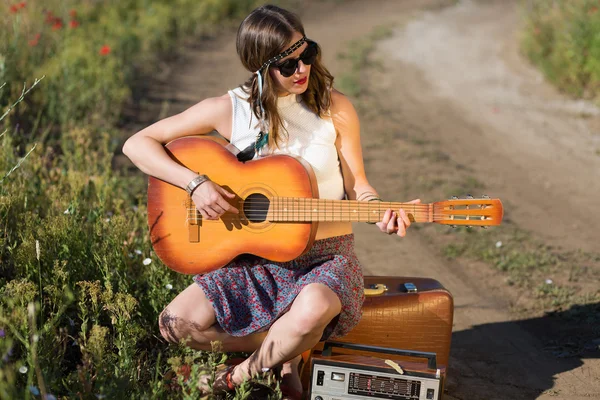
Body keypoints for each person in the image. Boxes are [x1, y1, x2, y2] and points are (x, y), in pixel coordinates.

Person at [122, 4, 419, 398]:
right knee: (173, 324)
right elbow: (135, 144)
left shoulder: (337, 108)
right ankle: (285, 347)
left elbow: (358, 185)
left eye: (307, 54)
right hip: (255, 259)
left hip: (326, 257)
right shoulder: (229, 109)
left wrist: (379, 209)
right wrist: (195, 183)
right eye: (288, 64)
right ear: (261, 67)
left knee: (311, 310)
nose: (302, 70)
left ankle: (238, 376)